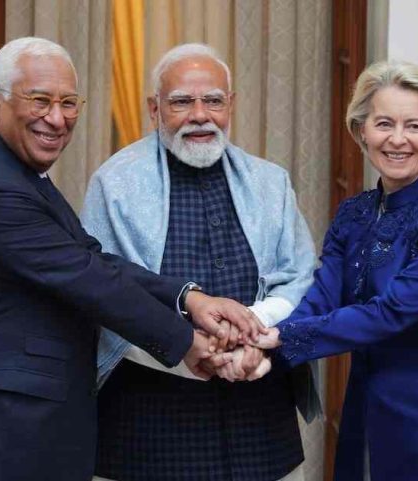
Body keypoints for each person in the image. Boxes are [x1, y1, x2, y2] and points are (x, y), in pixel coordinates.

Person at [0, 37, 261, 481]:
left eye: (69, 103)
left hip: (19, 427)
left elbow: (90, 258)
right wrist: (186, 342)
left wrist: (189, 298)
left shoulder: (16, 172)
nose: (57, 118)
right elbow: (89, 280)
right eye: (40, 101)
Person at [256, 60, 418, 481]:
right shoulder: (353, 214)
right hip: (366, 418)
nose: (397, 139)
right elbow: (321, 297)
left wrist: (279, 339)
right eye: (384, 123)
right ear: (361, 131)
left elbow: (389, 313)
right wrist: (261, 339)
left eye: (414, 126)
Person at [80, 43, 319, 481]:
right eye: (181, 102)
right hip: (148, 433)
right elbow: (103, 293)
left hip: (260, 430)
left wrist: (254, 332)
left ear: (231, 105)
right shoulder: (114, 185)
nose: (199, 115)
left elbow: (301, 277)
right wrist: (192, 346)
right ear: (154, 108)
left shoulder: (270, 182)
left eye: (213, 100)